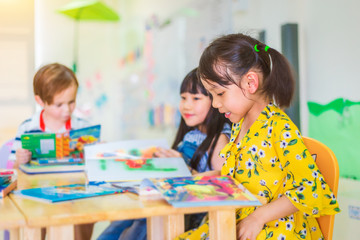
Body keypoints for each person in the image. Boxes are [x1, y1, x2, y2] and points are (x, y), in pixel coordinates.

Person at [175, 33, 340, 240]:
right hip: (239, 220)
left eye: (219, 93)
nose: (215, 104)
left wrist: (258, 217)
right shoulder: (239, 124)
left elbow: (312, 188)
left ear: (250, 83)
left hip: (272, 228)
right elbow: (236, 180)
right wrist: (186, 182)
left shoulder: (279, 128)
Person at [98, 68, 232, 240]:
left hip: (189, 216)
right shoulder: (191, 134)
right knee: (121, 222)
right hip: (169, 204)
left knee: (137, 224)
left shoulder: (219, 139)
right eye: (183, 98)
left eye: (196, 98)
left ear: (215, 101)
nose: (186, 105)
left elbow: (223, 184)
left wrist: (183, 169)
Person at [9, 63, 94, 240]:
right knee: (35, 222)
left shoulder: (82, 126)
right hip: (37, 196)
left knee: (85, 219)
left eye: (71, 102)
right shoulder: (27, 128)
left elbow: (93, 164)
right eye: (59, 104)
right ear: (40, 101)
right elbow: (12, 168)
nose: (67, 110)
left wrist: (97, 151)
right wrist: (20, 159)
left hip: (75, 195)